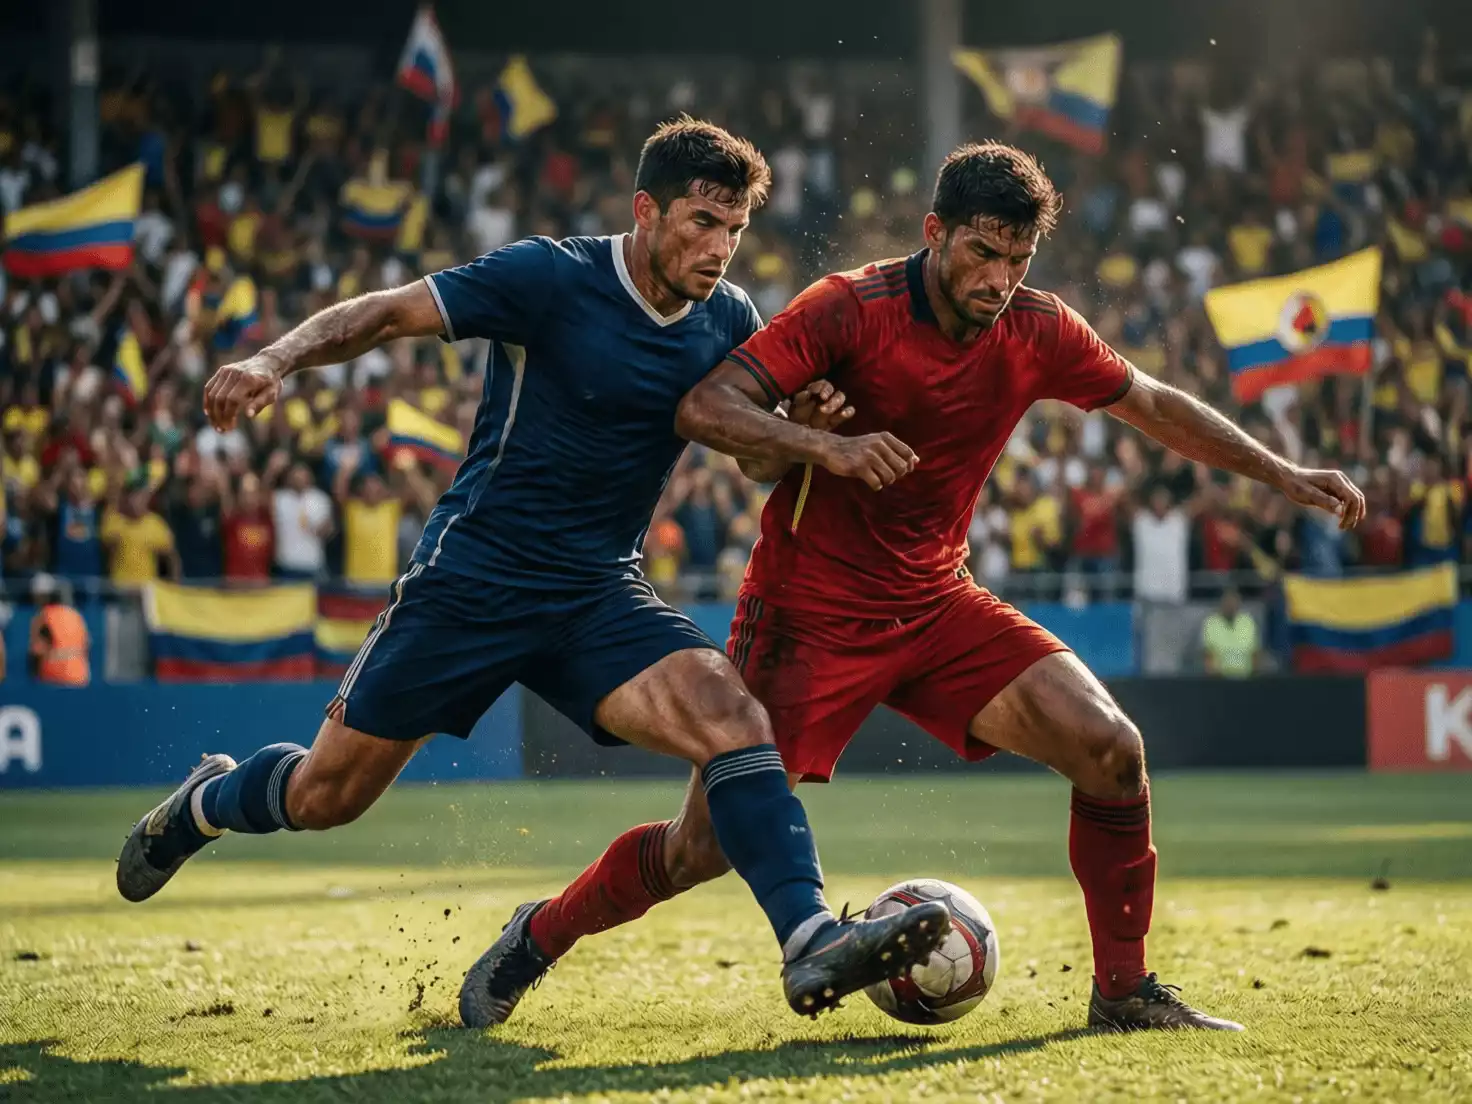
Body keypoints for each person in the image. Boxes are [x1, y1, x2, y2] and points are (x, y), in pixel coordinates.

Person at [491, 141, 1367, 1033]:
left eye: (1018, 261)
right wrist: (824, 444)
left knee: (1111, 749)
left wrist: (1281, 472)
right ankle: (541, 933)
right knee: (698, 851)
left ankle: (1124, 992)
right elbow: (706, 407)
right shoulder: (846, 308)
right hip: (808, 616)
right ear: (934, 231)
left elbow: (1150, 401)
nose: (999, 280)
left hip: (938, 605)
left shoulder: (1038, 327)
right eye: (983, 254)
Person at [114, 117, 948, 1028]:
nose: (719, 248)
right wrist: (273, 358)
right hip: (473, 577)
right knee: (324, 797)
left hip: (597, 590)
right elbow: (389, 310)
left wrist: (809, 431)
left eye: (736, 229)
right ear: (646, 210)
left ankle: (809, 937)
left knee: (735, 719)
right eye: (703, 221)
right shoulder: (550, 276)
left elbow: (753, 464)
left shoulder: (729, 319)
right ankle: (205, 803)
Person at [27, 574, 90, 687]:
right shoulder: (76, 615)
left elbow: (36, 652)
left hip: (53, 678)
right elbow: (87, 646)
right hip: (79, 677)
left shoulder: (43, 617)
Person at [1200, 588, 1260, 677]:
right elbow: (1208, 656)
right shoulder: (1211, 623)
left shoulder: (1248, 622)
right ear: (1222, 603)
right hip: (1220, 679)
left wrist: (1255, 678)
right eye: (1228, 602)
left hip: (1246, 679)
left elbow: (1255, 653)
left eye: (1234, 602)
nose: (1231, 605)